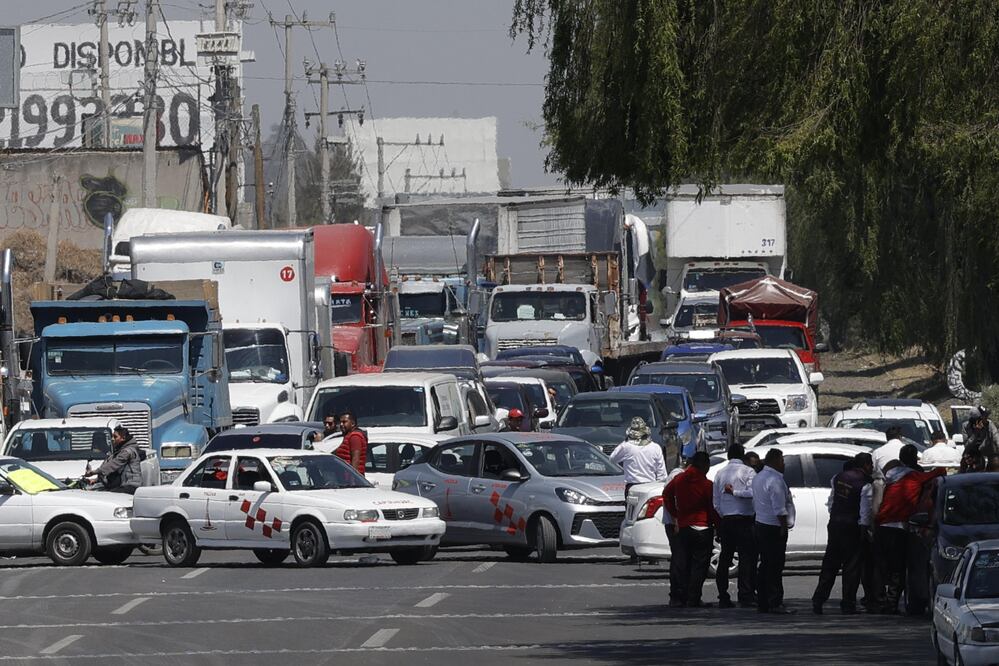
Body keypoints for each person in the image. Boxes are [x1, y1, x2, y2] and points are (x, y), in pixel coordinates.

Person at [874, 444, 946, 614]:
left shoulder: (890, 477)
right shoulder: (914, 477)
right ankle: (891, 604)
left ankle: (878, 600)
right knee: (898, 568)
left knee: (881, 566)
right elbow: (939, 472)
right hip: (898, 526)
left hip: (882, 525)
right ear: (914, 459)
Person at [811, 455, 873, 614]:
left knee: (830, 564)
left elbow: (831, 502)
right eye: (870, 464)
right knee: (851, 567)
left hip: (836, 524)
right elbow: (865, 511)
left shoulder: (837, 477)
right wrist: (864, 530)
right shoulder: (865, 484)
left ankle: (819, 599)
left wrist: (836, 517)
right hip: (852, 527)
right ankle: (848, 603)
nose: (872, 468)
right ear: (865, 465)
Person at [663, 451, 719, 608]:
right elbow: (712, 508)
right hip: (702, 527)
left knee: (681, 563)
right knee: (699, 566)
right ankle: (693, 597)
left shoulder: (679, 479)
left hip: (683, 527)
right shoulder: (707, 485)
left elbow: (666, 495)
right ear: (705, 465)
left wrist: (675, 515)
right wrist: (718, 527)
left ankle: (679, 595)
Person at [712, 443, 757, 608]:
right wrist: (736, 493)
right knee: (746, 558)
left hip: (727, 520)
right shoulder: (748, 471)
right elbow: (753, 493)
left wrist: (724, 514)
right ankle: (745, 594)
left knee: (725, 557)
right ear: (742, 455)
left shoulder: (719, 473)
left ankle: (723, 595)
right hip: (744, 519)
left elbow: (715, 501)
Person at [752, 448, 795, 614]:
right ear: (776, 461)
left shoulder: (759, 477)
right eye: (782, 460)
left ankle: (763, 601)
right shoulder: (774, 480)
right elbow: (779, 509)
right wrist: (783, 528)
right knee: (775, 566)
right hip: (773, 527)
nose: (783, 464)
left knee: (765, 565)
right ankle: (775, 601)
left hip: (761, 524)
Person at [610, 417, 667, 497]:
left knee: (632, 509)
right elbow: (662, 473)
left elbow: (612, 459)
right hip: (651, 486)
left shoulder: (626, 446)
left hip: (633, 487)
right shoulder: (655, 447)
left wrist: (625, 441)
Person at [83, 425, 141, 494]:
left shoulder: (127, 451)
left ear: (123, 438)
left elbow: (112, 465)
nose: (112, 439)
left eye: (115, 437)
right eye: (112, 436)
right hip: (122, 485)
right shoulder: (119, 451)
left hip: (130, 486)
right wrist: (96, 480)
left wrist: (94, 472)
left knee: (108, 496)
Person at [963, 406, 999, 471]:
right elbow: (967, 445)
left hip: (987, 451)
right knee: (967, 463)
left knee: (995, 462)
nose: (986, 418)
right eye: (984, 417)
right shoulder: (966, 426)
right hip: (973, 452)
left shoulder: (989, 424)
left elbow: (996, 437)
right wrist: (975, 434)